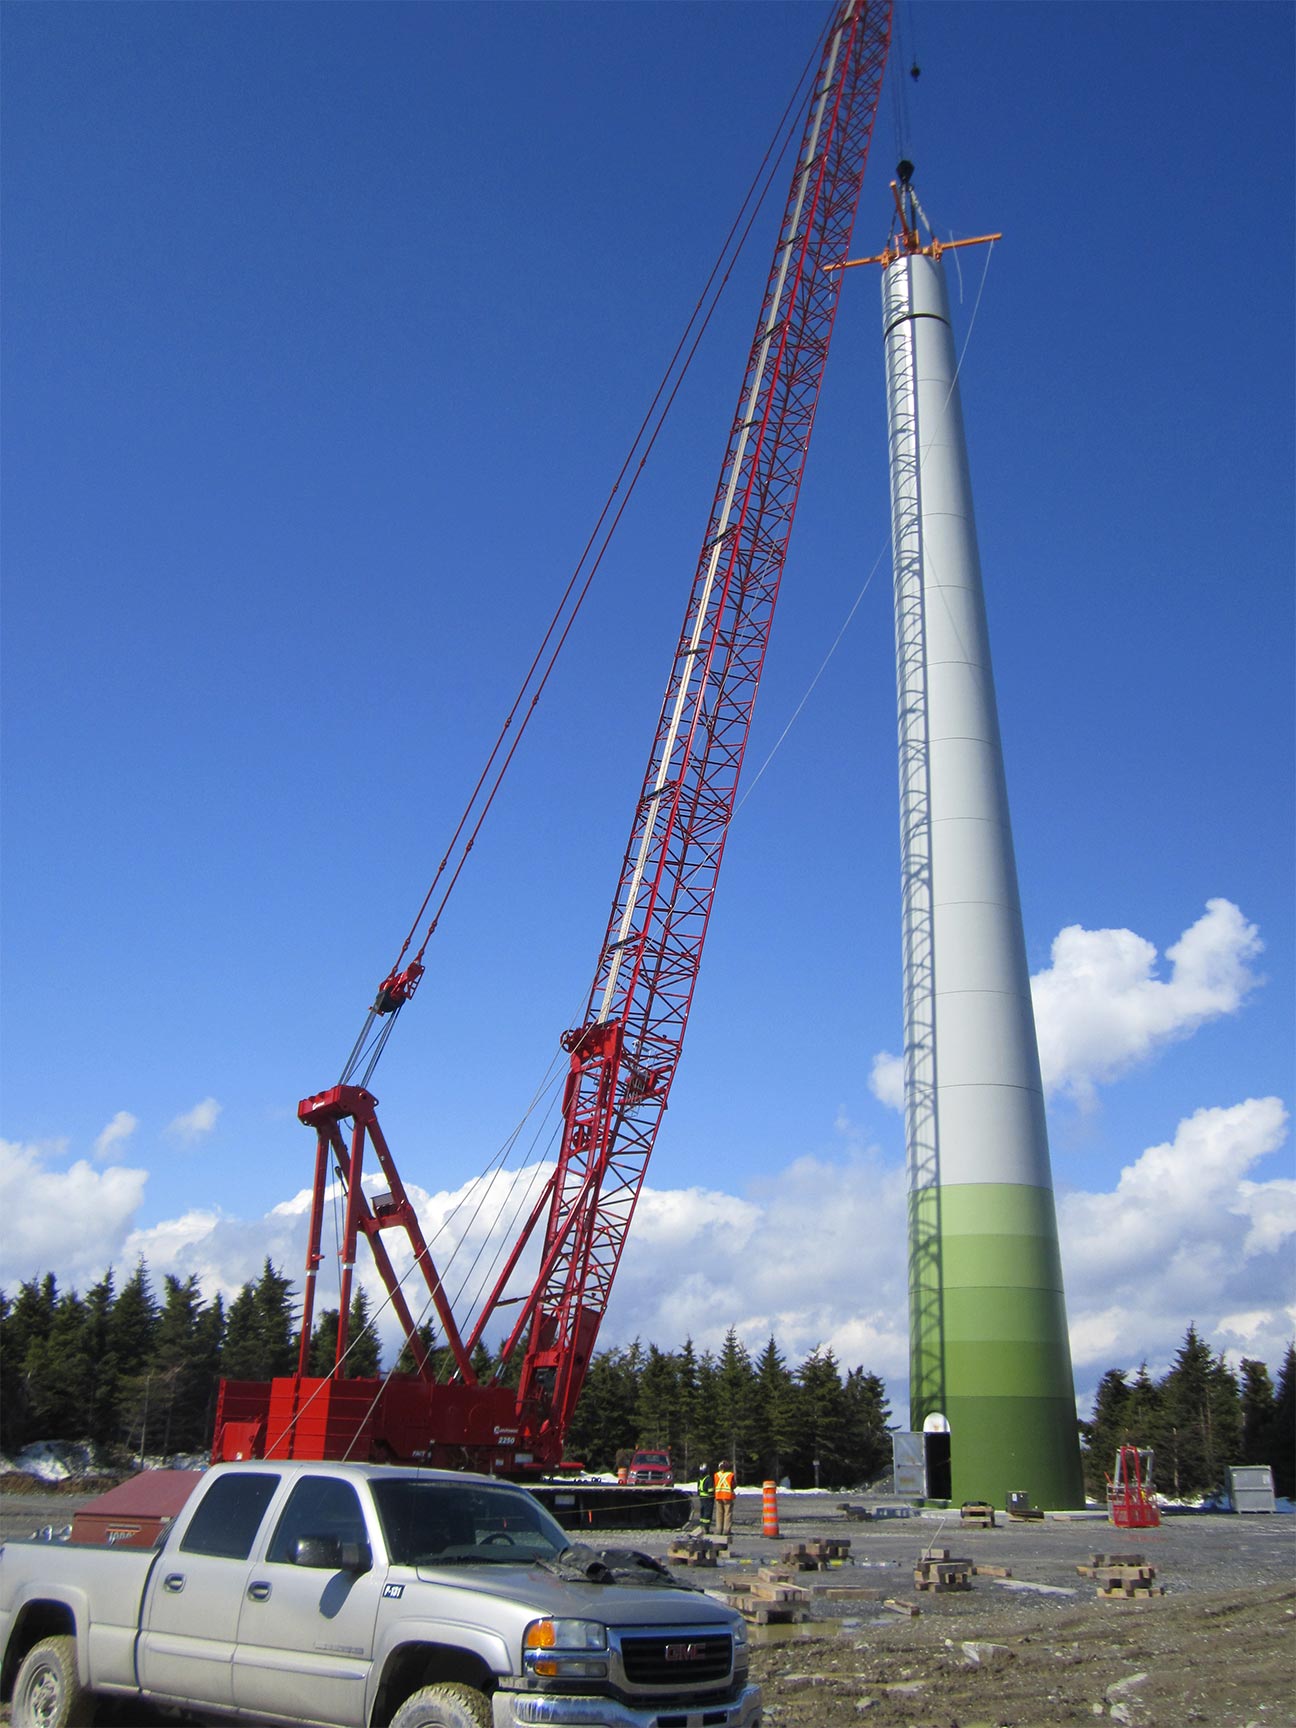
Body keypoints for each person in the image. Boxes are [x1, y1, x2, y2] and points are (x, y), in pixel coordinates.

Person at [714, 1459, 735, 1537]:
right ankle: (726, 1530)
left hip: (718, 1495)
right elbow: (733, 1485)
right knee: (727, 1513)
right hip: (727, 1496)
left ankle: (719, 1529)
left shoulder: (716, 1475)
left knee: (719, 1513)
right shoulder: (730, 1475)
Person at [696, 1463, 715, 1534]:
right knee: (707, 1513)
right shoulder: (708, 1479)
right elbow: (710, 1490)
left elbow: (698, 1490)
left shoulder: (699, 1478)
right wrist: (712, 1496)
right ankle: (706, 1528)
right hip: (708, 1498)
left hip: (702, 1498)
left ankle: (701, 1527)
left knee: (702, 1513)